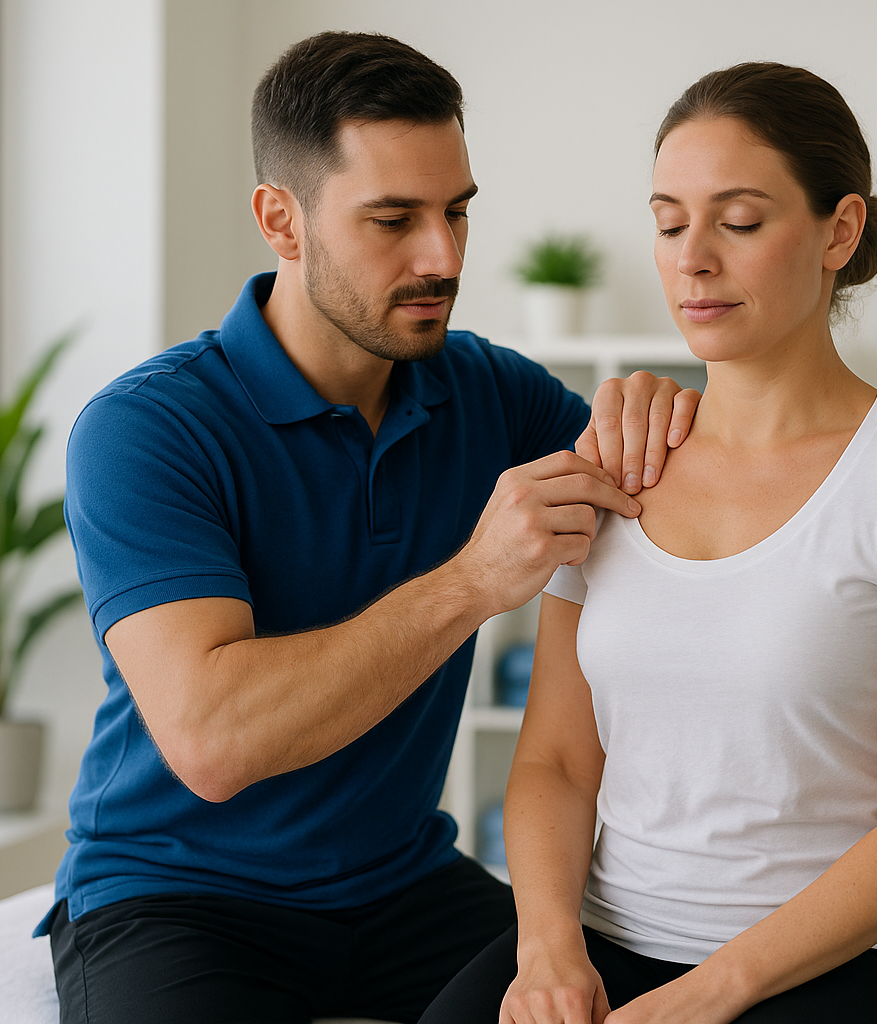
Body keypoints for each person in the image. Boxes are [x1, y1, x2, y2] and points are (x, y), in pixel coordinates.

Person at [39, 32, 700, 1024]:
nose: (443, 257)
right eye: (394, 219)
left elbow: (678, 502)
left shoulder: (491, 393)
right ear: (282, 220)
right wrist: (474, 580)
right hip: (177, 897)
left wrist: (667, 416)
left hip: (406, 886)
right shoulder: (146, 430)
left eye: (456, 211)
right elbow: (214, 741)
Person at [423, 63, 877, 1024]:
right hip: (615, 938)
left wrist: (708, 996)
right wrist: (547, 951)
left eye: (739, 222)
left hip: (860, 963)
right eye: (669, 225)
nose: (693, 260)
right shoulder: (615, 463)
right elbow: (557, 763)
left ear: (839, 231)